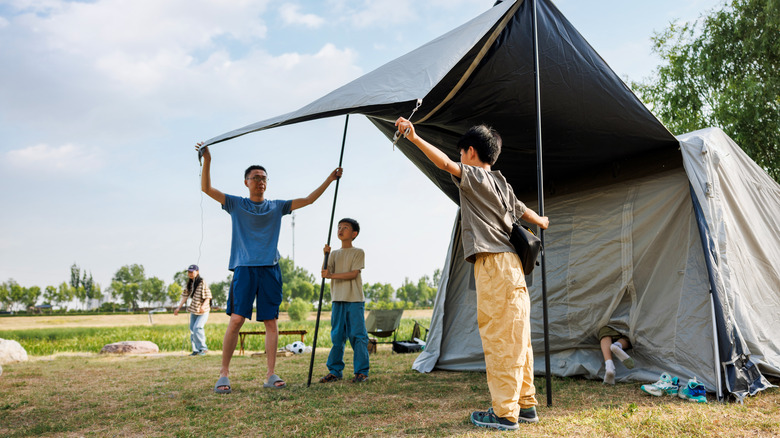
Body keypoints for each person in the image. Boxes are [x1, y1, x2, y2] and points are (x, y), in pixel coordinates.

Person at [394, 118, 549, 431]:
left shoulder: (475, 177)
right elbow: (523, 211)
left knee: (500, 338)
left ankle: (505, 414)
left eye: (462, 152)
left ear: (471, 152)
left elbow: (445, 164)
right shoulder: (502, 184)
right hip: (514, 267)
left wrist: (414, 137)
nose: (460, 158)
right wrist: (542, 221)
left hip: (493, 265)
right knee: (518, 337)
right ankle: (525, 404)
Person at [197, 142, 343, 393]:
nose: (260, 181)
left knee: (271, 323)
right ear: (246, 182)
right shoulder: (235, 204)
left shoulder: (277, 206)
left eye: (264, 178)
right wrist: (207, 158)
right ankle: (223, 374)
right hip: (244, 268)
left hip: (270, 270)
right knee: (236, 321)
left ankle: (271, 373)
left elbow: (308, 200)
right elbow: (206, 188)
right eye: (255, 178)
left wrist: (330, 179)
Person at [319, 218, 370, 384]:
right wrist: (325, 255)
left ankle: (361, 371)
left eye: (345, 228)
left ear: (354, 234)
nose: (340, 230)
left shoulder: (358, 252)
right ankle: (335, 371)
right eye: (339, 227)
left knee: (358, 335)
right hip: (337, 299)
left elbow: (353, 274)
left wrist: (331, 275)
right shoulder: (334, 254)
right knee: (337, 336)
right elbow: (325, 272)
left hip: (354, 299)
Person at [174, 264, 212, 356]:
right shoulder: (189, 284)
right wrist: (178, 308)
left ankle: (203, 349)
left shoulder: (202, 282)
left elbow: (208, 296)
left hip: (203, 311)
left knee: (197, 328)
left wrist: (203, 306)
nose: (190, 274)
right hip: (194, 310)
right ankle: (195, 350)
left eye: (192, 272)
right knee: (192, 330)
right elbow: (185, 296)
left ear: (197, 272)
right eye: (189, 272)